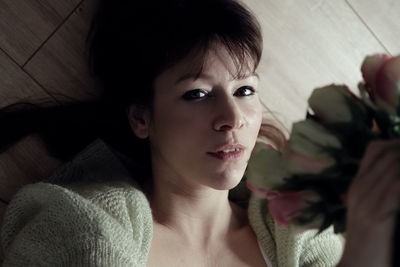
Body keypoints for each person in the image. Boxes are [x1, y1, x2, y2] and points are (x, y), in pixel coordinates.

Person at [0, 0, 398, 266]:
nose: (232, 117)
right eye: (197, 94)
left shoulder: (303, 236)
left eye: (245, 90)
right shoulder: (82, 231)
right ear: (142, 119)